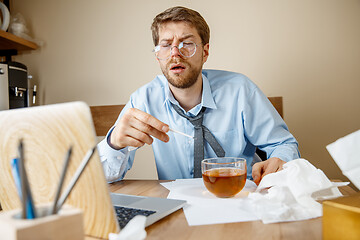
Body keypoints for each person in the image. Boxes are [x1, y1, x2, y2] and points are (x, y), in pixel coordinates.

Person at [98, 6, 300, 185]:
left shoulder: (241, 90)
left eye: (187, 43)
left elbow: (284, 145)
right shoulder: (143, 100)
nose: (175, 53)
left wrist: (280, 161)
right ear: (158, 55)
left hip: (240, 197)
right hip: (176, 209)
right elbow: (104, 178)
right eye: (166, 45)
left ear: (205, 52)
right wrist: (113, 143)